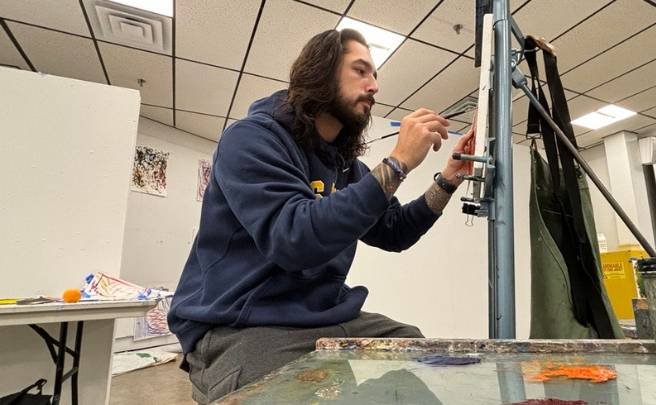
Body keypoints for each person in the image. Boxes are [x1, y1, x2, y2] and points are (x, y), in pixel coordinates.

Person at [168, 28, 473, 403]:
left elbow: (395, 232)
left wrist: (448, 179)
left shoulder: (346, 167)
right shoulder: (251, 139)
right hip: (240, 323)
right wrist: (398, 163)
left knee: (416, 350)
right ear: (322, 72)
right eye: (361, 71)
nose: (374, 85)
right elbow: (294, 238)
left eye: (375, 75)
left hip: (321, 315)